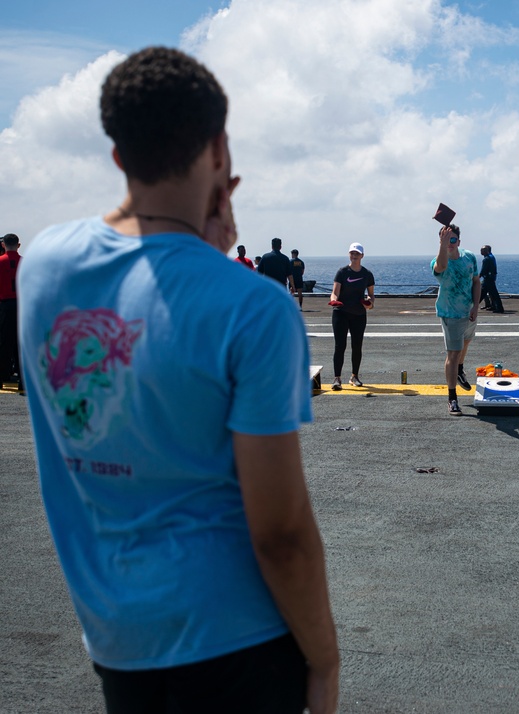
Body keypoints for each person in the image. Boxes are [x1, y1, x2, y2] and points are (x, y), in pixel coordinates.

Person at [16, 47, 340, 713]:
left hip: (117, 637)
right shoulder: (255, 309)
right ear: (219, 149)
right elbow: (279, 533)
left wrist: (197, 251)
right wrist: (325, 658)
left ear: (116, 156)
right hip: (238, 642)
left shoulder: (43, 266)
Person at [432, 223, 480, 416]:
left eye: (453, 240)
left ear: (459, 241)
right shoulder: (438, 260)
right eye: (445, 240)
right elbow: (441, 266)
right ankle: (452, 398)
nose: (450, 243)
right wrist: (443, 245)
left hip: (468, 311)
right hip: (450, 314)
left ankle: (460, 369)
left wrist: (476, 305)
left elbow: (476, 281)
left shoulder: (469, 257)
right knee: (453, 353)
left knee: (466, 342)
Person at [329, 242, 374, 390]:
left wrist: (369, 302)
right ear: (349, 254)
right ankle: (337, 378)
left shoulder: (367, 274)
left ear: (362, 255)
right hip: (340, 313)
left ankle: (354, 376)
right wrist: (334, 300)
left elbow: (372, 297)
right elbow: (335, 292)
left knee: (357, 346)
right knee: (339, 346)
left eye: (357, 253)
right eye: (352, 253)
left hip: (359, 314)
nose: (354, 256)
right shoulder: (342, 272)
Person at [0, 233, 22, 391]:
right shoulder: (25, 262)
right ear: (18, 245)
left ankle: (2, 377)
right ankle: (23, 379)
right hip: (22, 306)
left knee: (4, 344)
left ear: (3, 245)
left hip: (5, 306)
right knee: (20, 345)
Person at [479, 245, 505, 313]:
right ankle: (498, 307)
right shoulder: (490, 257)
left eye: (482, 250)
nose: (481, 251)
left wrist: (478, 276)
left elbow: (483, 270)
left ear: (486, 251)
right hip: (491, 278)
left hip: (488, 279)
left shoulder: (486, 259)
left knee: (481, 294)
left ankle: (472, 307)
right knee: (493, 294)